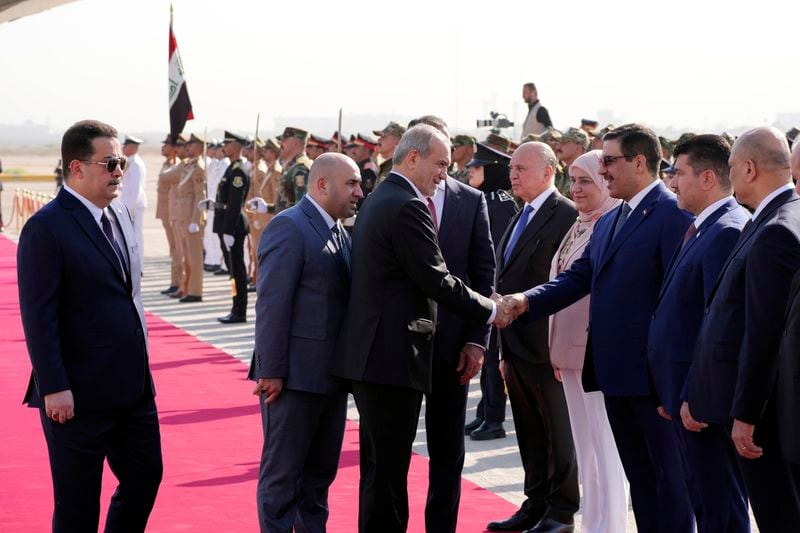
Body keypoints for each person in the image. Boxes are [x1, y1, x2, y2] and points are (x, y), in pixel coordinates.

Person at [504, 124, 695, 533]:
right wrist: (526, 301)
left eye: (609, 160)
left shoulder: (673, 213)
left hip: (654, 379)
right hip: (614, 376)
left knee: (671, 482)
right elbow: (577, 278)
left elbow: (681, 302)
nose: (603, 169)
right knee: (642, 480)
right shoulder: (611, 220)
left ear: (640, 162)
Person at [332, 124, 508, 532]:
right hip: (392, 356)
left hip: (380, 355)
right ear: (412, 158)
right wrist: (491, 311)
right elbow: (437, 278)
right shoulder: (406, 205)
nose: (445, 173)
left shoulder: (381, 198)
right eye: (441, 163)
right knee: (388, 475)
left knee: (380, 470)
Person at [17, 120, 162, 532]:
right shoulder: (47, 227)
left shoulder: (115, 214)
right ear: (77, 168)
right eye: (111, 163)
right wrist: (54, 386)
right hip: (76, 396)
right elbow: (38, 315)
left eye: (122, 163)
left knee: (145, 477)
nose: (120, 171)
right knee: (78, 505)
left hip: (132, 388)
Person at [684, 127, 800, 532]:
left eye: (732, 166)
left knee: (778, 515)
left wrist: (746, 415)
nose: (730, 174)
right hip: (762, 407)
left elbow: (764, 333)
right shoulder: (772, 217)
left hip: (765, 417)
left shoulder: (777, 231)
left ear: (749, 168)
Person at [249, 153, 362, 532]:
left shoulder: (339, 232)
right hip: (293, 380)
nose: (359, 192)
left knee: (317, 479)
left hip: (329, 379)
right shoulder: (290, 227)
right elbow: (271, 305)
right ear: (321, 185)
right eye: (351, 184)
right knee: (283, 479)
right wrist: (272, 371)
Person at [648, 135, 750, 532]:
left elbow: (719, 327)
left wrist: (693, 393)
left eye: (680, 173)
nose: (672, 182)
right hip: (685, 396)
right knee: (706, 500)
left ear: (708, 178)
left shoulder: (726, 231)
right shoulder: (703, 226)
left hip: (702, 402)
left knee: (719, 505)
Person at [487, 142, 579, 533]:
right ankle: (535, 501)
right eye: (512, 168)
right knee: (529, 430)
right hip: (516, 343)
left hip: (547, 344)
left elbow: (565, 281)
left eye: (522, 168)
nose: (513, 174)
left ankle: (561, 511)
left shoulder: (566, 215)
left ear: (548, 172)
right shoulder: (520, 213)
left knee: (558, 433)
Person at [410, 121, 497, 533]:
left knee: (447, 451)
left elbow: (484, 275)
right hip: (401, 348)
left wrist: (478, 342)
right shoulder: (390, 199)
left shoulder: (470, 201)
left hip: (453, 350)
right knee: (388, 454)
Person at [545, 150, 628, 533]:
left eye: (586, 181)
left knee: (605, 451)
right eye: (573, 180)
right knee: (586, 451)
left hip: (595, 358)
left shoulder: (611, 225)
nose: (576, 189)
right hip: (568, 356)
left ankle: (609, 525)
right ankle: (593, 522)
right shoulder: (579, 224)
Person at [463, 142, 518, 441]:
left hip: (495, 292)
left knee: (494, 356)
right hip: (482, 292)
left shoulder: (501, 203)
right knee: (485, 357)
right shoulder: (485, 200)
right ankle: (485, 412)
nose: (471, 170)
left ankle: (494, 418)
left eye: (478, 166)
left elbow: (496, 255)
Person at [215, 131, 250, 323]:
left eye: (227, 144)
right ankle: (236, 307)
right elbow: (227, 199)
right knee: (233, 272)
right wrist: (214, 204)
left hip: (233, 227)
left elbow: (236, 203)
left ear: (236, 146)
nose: (224, 147)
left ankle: (239, 310)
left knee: (236, 271)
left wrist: (228, 231)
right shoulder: (232, 168)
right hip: (228, 225)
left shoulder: (238, 170)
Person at [156, 135, 182, 294]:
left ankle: (179, 282)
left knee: (177, 249)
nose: (162, 147)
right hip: (166, 211)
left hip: (174, 211)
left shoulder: (175, 164)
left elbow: (165, 179)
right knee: (173, 249)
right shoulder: (168, 163)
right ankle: (175, 281)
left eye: (166, 145)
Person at [120, 135, 147, 263]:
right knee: (130, 236)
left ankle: (139, 264)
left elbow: (136, 189)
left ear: (132, 147)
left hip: (134, 206)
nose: (123, 148)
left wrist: (129, 208)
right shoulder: (130, 161)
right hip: (130, 204)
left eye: (125, 146)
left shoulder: (135, 163)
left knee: (136, 236)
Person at [203, 140, 227, 273]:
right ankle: (211, 259)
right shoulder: (214, 164)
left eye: (217, 149)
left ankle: (217, 260)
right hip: (210, 202)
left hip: (217, 203)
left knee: (217, 234)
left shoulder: (225, 165)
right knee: (209, 233)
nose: (215, 151)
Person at [277, 126, 312, 209]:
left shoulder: (299, 168)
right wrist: (268, 208)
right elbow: (287, 202)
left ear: (295, 144)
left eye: (284, 141)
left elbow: (301, 206)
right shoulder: (292, 165)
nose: (281, 144)